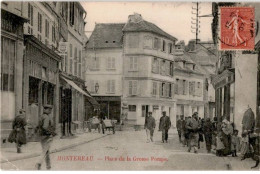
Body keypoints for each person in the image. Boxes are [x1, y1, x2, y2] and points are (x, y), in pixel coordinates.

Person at [36, 105, 56, 170]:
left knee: (46, 150)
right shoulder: (47, 117)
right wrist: (52, 132)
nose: (50, 111)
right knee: (45, 151)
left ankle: (48, 165)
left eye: (50, 110)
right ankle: (38, 163)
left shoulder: (41, 116)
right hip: (47, 136)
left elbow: (38, 126)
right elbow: (45, 127)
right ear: (46, 110)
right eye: (49, 110)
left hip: (41, 136)